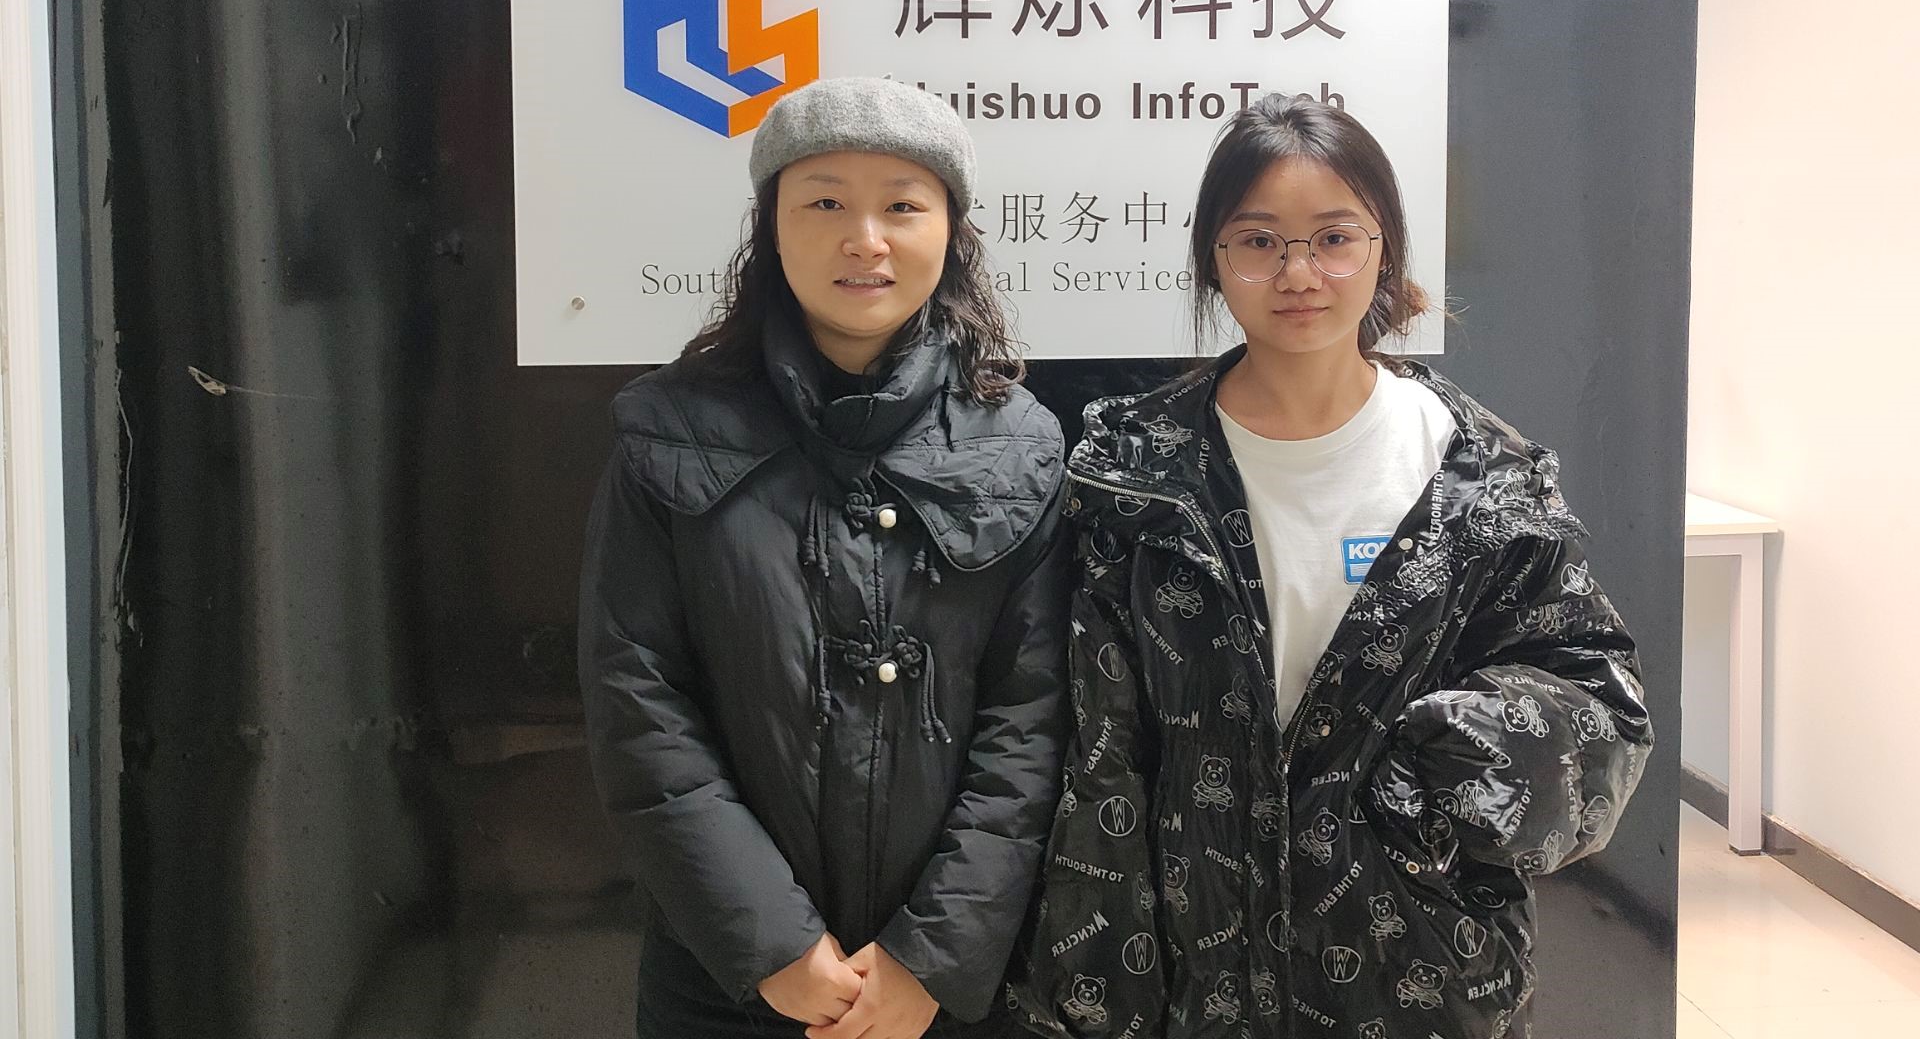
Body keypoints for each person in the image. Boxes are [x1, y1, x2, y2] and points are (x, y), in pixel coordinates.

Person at [1010, 95, 1652, 1038]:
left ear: (1384, 250)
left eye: (1334, 238)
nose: (1299, 273)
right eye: (1258, 241)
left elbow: (1596, 699)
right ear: (1214, 260)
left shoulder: (1474, 471)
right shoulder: (1132, 474)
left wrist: (1436, 771)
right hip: (1191, 971)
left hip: (1418, 968)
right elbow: (1095, 745)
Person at [580, 77, 1070, 1039]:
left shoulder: (1020, 444)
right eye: (826, 203)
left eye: (903, 206)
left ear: (952, 230)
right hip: (727, 979)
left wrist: (931, 957)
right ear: (771, 227)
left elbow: (1035, 717)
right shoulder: (670, 433)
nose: (866, 239)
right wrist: (770, 943)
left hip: (955, 990)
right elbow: (639, 702)